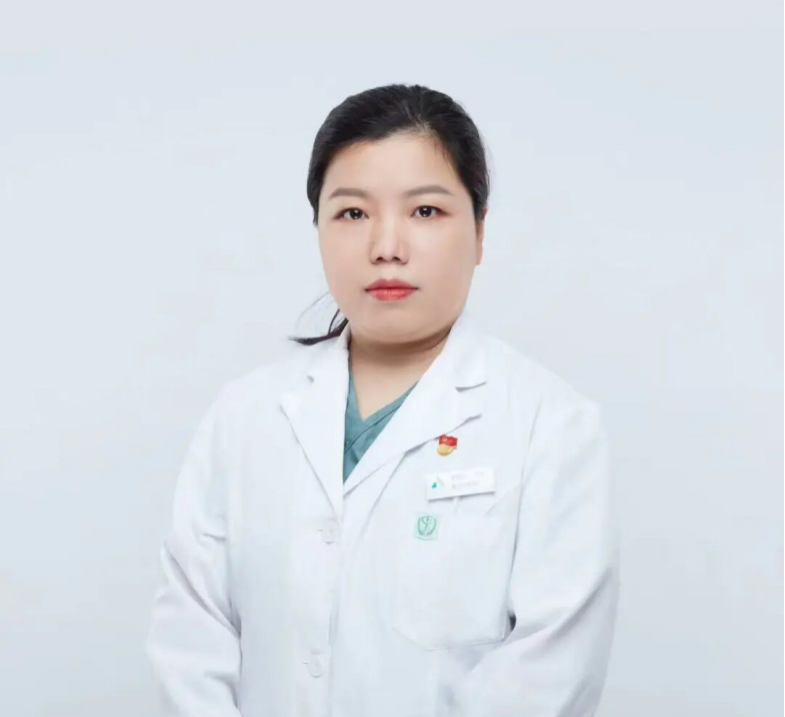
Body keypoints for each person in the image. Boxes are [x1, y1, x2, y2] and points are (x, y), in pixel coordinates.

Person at [146, 83, 620, 717]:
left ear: (479, 231)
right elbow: (191, 639)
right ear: (318, 228)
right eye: (352, 213)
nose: (386, 246)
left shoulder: (551, 426)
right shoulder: (245, 416)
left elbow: (547, 674)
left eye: (425, 211)